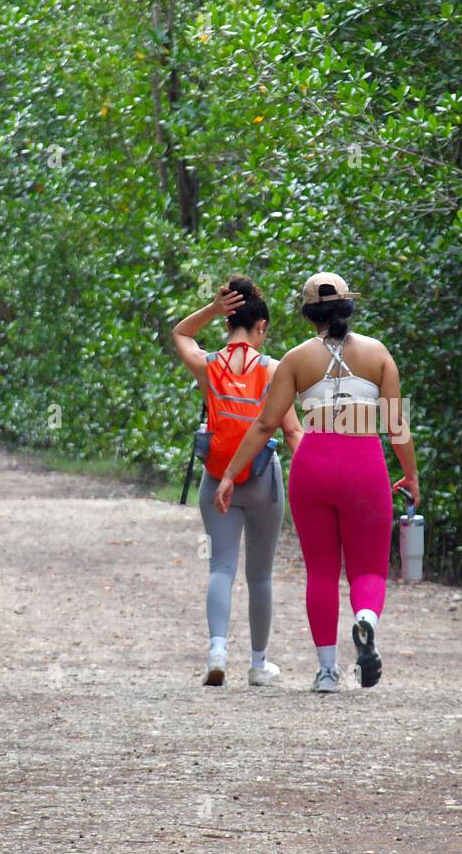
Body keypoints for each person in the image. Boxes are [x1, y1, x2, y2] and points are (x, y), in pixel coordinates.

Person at [214, 272, 420, 693]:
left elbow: (264, 425)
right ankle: (365, 620)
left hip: (313, 465)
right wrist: (412, 475)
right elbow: (397, 426)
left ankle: (327, 670)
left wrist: (230, 474)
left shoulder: (294, 359)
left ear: (309, 314)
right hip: (364, 465)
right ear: (348, 306)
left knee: (321, 572)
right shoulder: (378, 354)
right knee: (369, 567)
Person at [173, 276, 303, 687]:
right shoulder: (276, 370)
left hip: (217, 479)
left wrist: (212, 308)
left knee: (221, 567)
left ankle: (217, 651)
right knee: (260, 575)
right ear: (261, 327)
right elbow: (292, 433)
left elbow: (180, 332)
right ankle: (259, 665)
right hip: (263, 480)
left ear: (228, 324)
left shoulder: (208, 365)